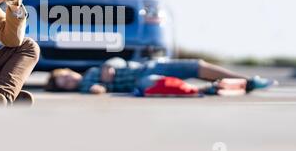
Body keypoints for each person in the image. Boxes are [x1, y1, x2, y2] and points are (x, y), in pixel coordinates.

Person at [45, 57, 277, 95]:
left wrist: (109, 64)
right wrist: (98, 89)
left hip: (147, 66)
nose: (68, 80)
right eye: (64, 83)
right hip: (141, 81)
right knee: (159, 85)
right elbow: (97, 90)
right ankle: (214, 89)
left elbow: (118, 60)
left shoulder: (93, 70)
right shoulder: (86, 86)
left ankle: (245, 79)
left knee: (196, 66)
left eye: (65, 75)